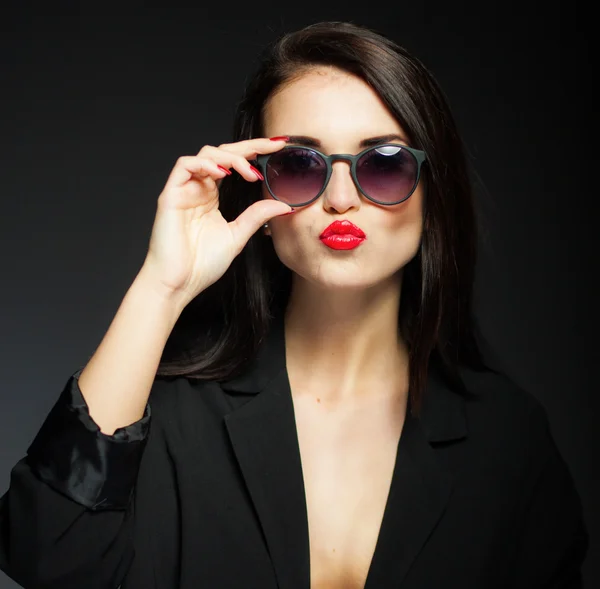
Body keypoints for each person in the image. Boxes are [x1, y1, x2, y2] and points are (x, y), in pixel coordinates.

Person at [0, 20, 589, 589]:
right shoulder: (168, 413)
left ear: (435, 195)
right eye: (299, 165)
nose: (339, 199)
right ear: (257, 183)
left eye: (384, 164)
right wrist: (163, 286)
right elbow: (43, 552)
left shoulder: (506, 439)